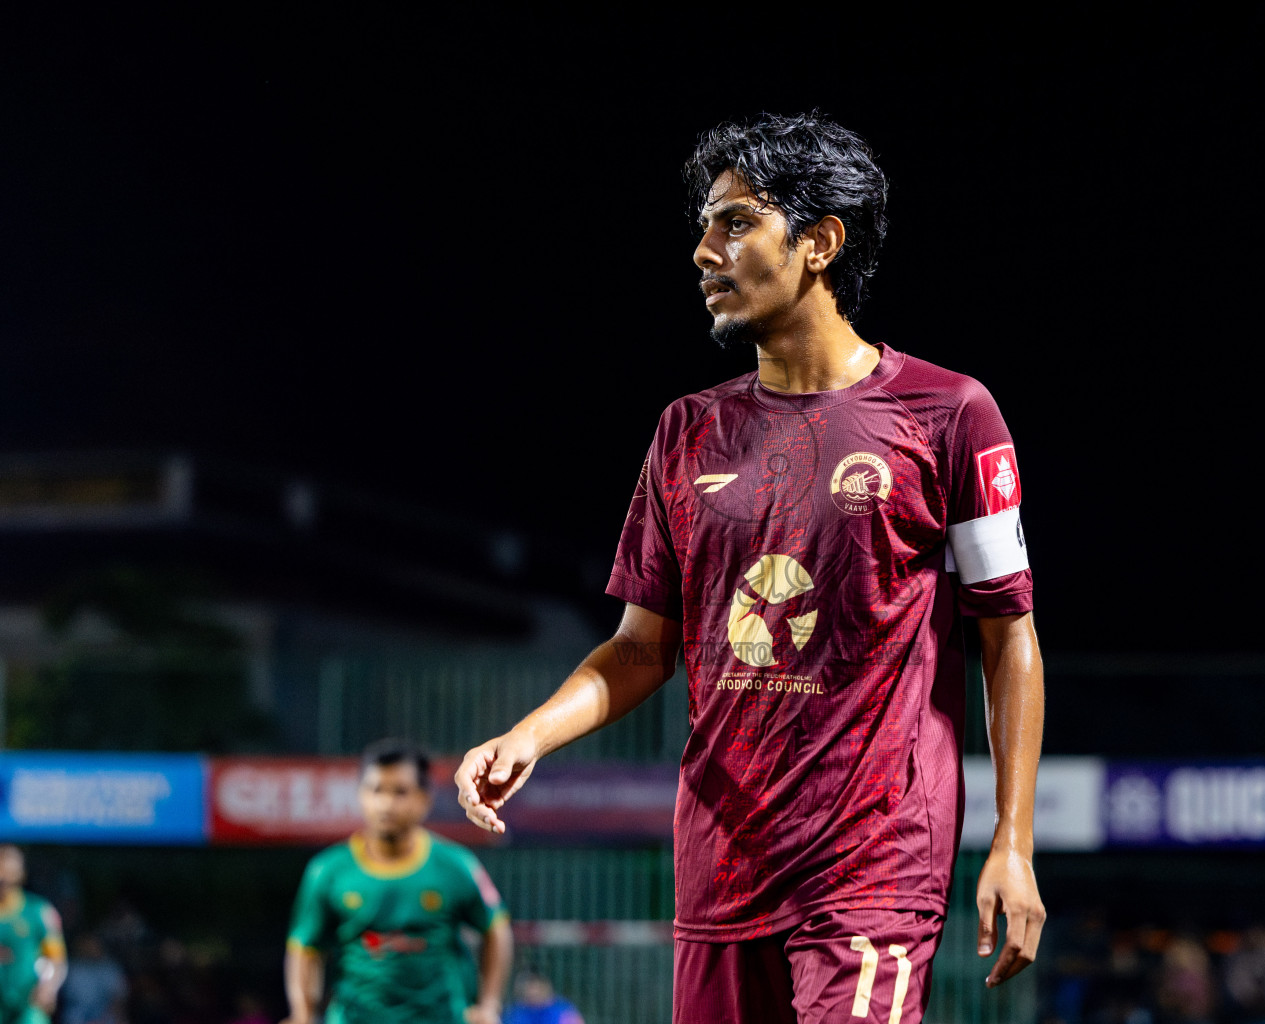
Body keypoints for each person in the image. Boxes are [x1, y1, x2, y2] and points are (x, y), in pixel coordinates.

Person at [457, 111, 1046, 1023]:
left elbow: (1009, 640)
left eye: (734, 223)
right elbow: (641, 649)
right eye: (703, 226)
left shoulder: (950, 415)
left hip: (875, 862)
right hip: (723, 862)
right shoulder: (687, 432)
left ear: (819, 243)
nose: (702, 251)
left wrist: (1015, 838)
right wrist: (527, 735)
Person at [283, 739, 512, 1024]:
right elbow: (305, 946)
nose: (386, 803)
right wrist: (303, 1014)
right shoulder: (327, 871)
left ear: (424, 799)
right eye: (376, 790)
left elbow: (496, 928)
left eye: (400, 792)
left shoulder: (456, 866)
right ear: (360, 795)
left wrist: (489, 1005)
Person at [0, 846, 66, 1024]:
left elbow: (56, 958)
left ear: (20, 874)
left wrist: (48, 987)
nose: (3, 879)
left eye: (9, 872)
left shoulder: (38, 911)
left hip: (27, 1004)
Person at [57, 932, 127, 1024]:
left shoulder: (110, 968)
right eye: (87, 944)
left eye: (94, 944)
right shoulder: (70, 968)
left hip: (105, 1019)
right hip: (74, 1018)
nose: (91, 948)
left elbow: (119, 1000)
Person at [504, 970, 583, 1024]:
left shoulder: (563, 1010)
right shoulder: (516, 1012)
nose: (534, 992)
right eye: (531, 987)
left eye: (537, 987)